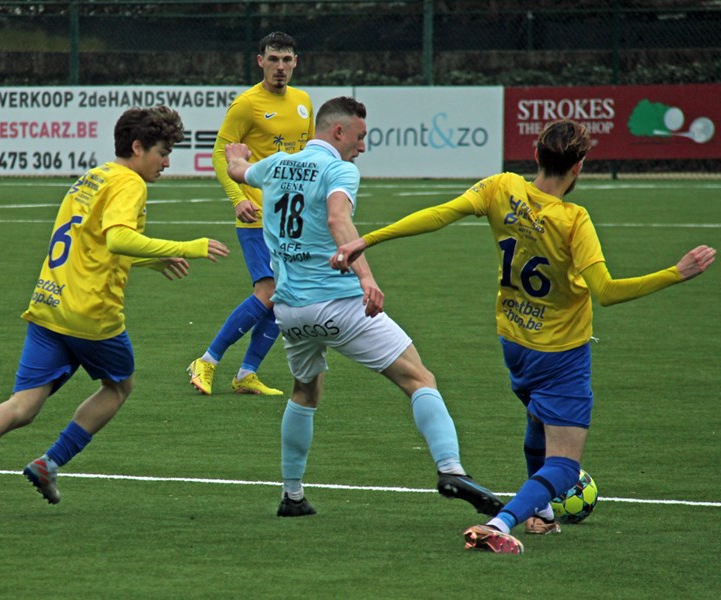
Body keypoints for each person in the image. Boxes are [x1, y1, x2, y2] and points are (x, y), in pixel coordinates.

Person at [331, 118, 716, 553]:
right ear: (579, 167)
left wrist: (367, 240)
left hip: (513, 341)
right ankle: (502, 522)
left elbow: (439, 215)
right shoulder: (574, 220)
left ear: (536, 156)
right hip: (561, 353)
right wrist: (674, 273)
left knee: (537, 419)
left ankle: (543, 514)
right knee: (566, 468)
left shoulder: (502, 187)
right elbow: (605, 292)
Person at [0, 106, 229, 524]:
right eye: (162, 151)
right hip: (91, 316)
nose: (167, 161)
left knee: (22, 405)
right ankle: (49, 464)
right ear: (138, 147)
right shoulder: (129, 184)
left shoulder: (93, 176)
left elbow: (96, 243)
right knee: (120, 386)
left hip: (50, 303)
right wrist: (186, 246)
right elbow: (120, 237)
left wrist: (149, 262)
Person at [224, 96, 504, 518]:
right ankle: (451, 469)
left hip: (290, 312)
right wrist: (367, 278)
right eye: (360, 136)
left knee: (305, 390)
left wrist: (234, 154)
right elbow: (338, 219)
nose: (363, 146)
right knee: (418, 377)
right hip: (337, 303)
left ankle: (292, 496)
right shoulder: (340, 169)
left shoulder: (277, 164)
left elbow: (239, 171)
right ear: (338, 132)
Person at [186, 31, 314, 396]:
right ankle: (207, 361)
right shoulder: (247, 104)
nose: (280, 67)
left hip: (293, 217)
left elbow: (306, 158)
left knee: (284, 294)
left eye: (287, 60)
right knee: (270, 290)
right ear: (260, 61)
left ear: (296, 62)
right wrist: (236, 198)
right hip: (257, 215)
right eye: (273, 59)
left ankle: (246, 374)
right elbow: (219, 153)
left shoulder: (304, 102)